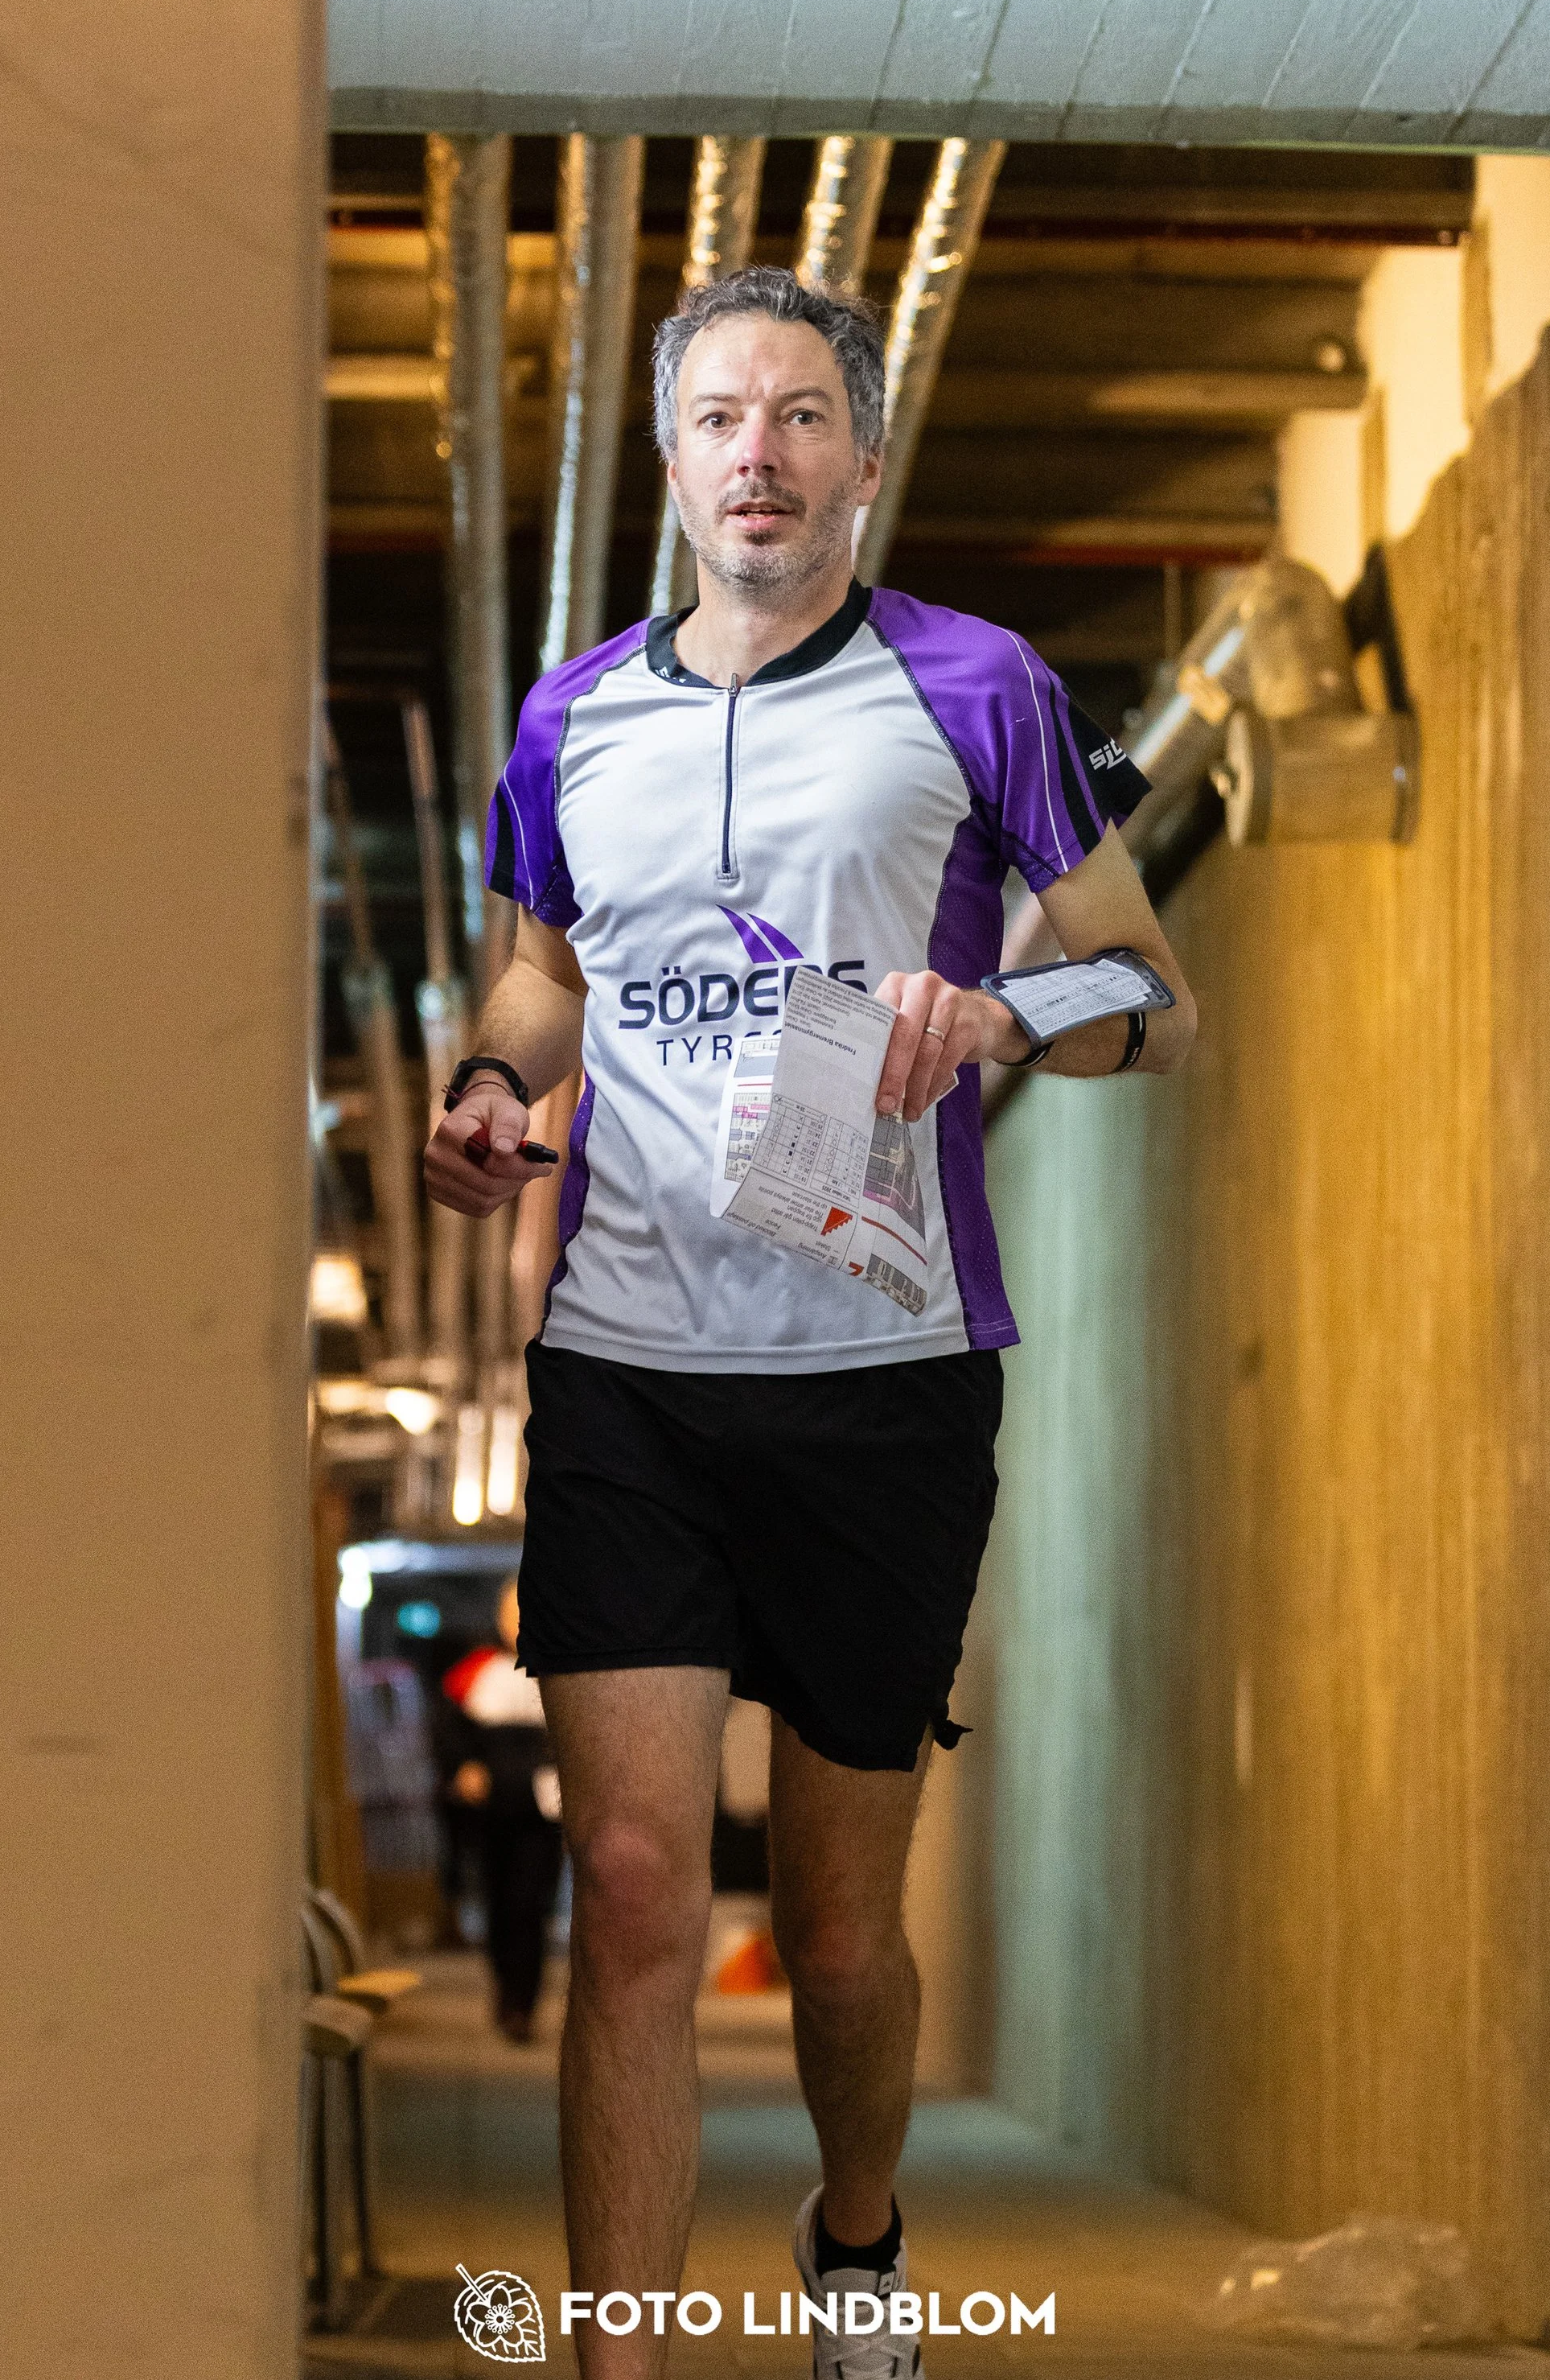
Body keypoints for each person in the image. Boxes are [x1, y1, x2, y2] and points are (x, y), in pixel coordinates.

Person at [423, 266, 1196, 2380]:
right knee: (648, 1889)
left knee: (839, 1933)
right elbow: (529, 978)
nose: (755, 452)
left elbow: (1144, 994)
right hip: (625, 1368)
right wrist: (493, 1089)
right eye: (714, 420)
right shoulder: (568, 719)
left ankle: (854, 2242)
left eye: (796, 417)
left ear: (862, 456)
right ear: (669, 466)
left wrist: (996, 1004)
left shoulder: (978, 689)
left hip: (883, 1376)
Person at [440, 1579, 565, 2043]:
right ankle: (505, 1992)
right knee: (497, 1903)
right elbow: (450, 1735)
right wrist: (463, 1767)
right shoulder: (476, 1672)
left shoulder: (558, 1674)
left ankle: (523, 2005)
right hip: (492, 1810)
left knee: (531, 1905)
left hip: (541, 1809)